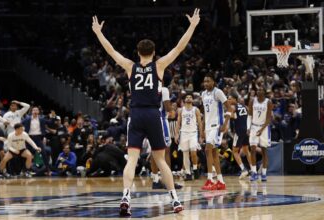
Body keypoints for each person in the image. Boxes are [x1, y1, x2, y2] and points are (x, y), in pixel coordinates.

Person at [92, 8, 200, 215]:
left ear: (138, 52)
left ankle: (126, 196)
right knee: (160, 160)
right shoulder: (159, 66)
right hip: (152, 114)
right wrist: (193, 25)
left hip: (136, 115)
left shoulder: (130, 67)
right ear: (153, 52)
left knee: (131, 159)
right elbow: (179, 48)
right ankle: (175, 201)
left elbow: (111, 50)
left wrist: (98, 32)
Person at [201, 75, 231, 191]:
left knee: (207, 150)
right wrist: (203, 129)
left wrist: (225, 124)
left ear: (213, 82)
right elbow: (205, 112)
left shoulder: (218, 92)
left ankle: (210, 180)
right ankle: (221, 181)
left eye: (208, 81)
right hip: (208, 126)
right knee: (213, 153)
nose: (206, 83)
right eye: (205, 81)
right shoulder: (203, 94)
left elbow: (229, 108)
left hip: (217, 126)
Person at [175, 93, 203, 180]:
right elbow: (178, 123)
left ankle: (195, 168)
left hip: (193, 133)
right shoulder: (180, 110)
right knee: (185, 154)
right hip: (183, 133)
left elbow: (200, 123)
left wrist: (201, 135)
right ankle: (188, 173)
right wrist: (176, 134)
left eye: (190, 97)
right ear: (184, 99)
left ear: (193, 100)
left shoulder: (196, 110)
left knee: (193, 152)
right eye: (187, 97)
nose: (188, 98)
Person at [248, 87, 273, 182]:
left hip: (264, 128)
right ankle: (254, 172)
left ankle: (264, 173)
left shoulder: (268, 102)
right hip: (254, 127)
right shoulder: (252, 101)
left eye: (261, 90)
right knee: (253, 149)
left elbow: (268, 119)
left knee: (264, 151)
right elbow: (249, 115)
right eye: (257, 90)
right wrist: (248, 127)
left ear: (264, 92)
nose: (258, 91)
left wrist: (261, 129)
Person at [228, 93, 252, 179]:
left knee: (234, 151)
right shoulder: (245, 106)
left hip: (239, 131)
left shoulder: (233, 107)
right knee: (246, 150)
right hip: (246, 131)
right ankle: (253, 170)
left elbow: (230, 116)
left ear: (235, 99)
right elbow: (250, 116)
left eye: (230, 99)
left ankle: (244, 170)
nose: (228, 100)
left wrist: (228, 115)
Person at [22, 106, 51, 173]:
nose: (35, 111)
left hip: (38, 138)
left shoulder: (42, 119)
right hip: (29, 138)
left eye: (36, 110)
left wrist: (52, 117)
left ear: (38, 112)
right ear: (32, 112)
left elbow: (50, 123)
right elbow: (20, 123)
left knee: (43, 153)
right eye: (33, 110)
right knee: (27, 154)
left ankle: (48, 169)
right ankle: (25, 170)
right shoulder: (27, 119)